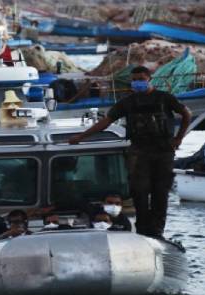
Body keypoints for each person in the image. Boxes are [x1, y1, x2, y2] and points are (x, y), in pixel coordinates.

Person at [69, 66, 191, 237]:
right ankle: (142, 231)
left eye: (141, 78)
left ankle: (157, 232)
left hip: (163, 151)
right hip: (139, 151)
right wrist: (81, 136)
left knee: (160, 193)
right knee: (139, 193)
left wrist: (179, 138)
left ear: (149, 78)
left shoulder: (164, 98)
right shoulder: (128, 102)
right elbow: (106, 121)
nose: (137, 82)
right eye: (134, 79)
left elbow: (186, 114)